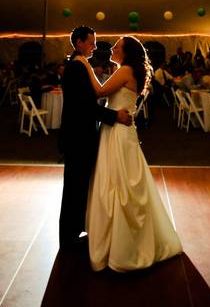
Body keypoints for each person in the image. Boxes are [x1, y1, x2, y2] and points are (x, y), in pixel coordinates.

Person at [74, 35, 183, 272]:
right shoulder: (128, 70)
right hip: (121, 130)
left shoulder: (125, 71)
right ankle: (121, 238)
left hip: (117, 135)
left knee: (118, 182)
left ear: (126, 52)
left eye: (117, 46)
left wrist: (85, 65)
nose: (112, 48)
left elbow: (100, 91)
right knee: (124, 181)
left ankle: (121, 243)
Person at [58, 26, 132, 253]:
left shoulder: (81, 65)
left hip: (80, 136)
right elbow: (84, 106)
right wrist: (114, 116)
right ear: (79, 42)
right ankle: (68, 239)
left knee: (79, 186)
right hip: (77, 138)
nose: (94, 45)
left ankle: (74, 232)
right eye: (91, 41)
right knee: (74, 187)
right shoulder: (76, 68)